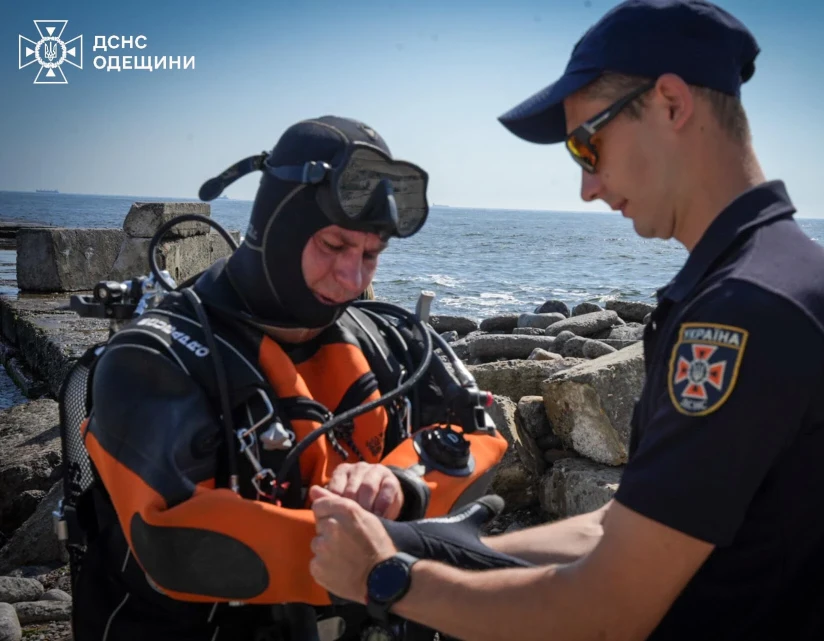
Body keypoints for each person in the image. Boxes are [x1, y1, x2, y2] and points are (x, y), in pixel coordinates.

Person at [305, 2, 824, 640]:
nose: (586, 187)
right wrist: (431, 544)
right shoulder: (790, 282)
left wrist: (387, 577)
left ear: (672, 104)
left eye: (585, 144)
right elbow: (619, 527)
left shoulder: (747, 313)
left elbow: (606, 611)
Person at [62, 116, 509, 641]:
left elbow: (485, 438)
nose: (353, 278)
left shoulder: (386, 337)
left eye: (370, 255)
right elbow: (172, 542)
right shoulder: (150, 358)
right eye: (334, 246)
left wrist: (402, 485)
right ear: (277, 229)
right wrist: (385, 553)